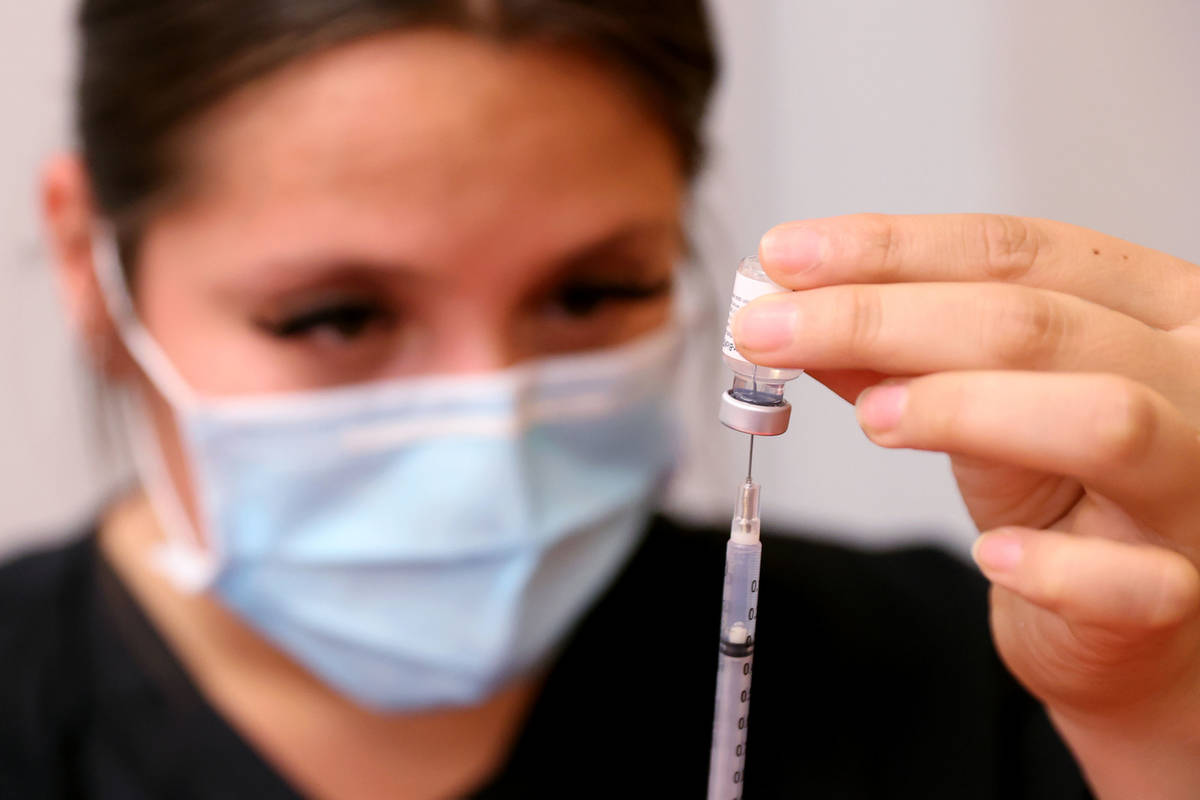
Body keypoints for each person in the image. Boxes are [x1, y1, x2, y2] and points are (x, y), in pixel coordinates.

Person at [2, 0, 1198, 797]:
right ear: (88, 262)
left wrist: (1162, 735)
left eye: (591, 291)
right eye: (337, 315)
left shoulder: (990, 680)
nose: (494, 428)